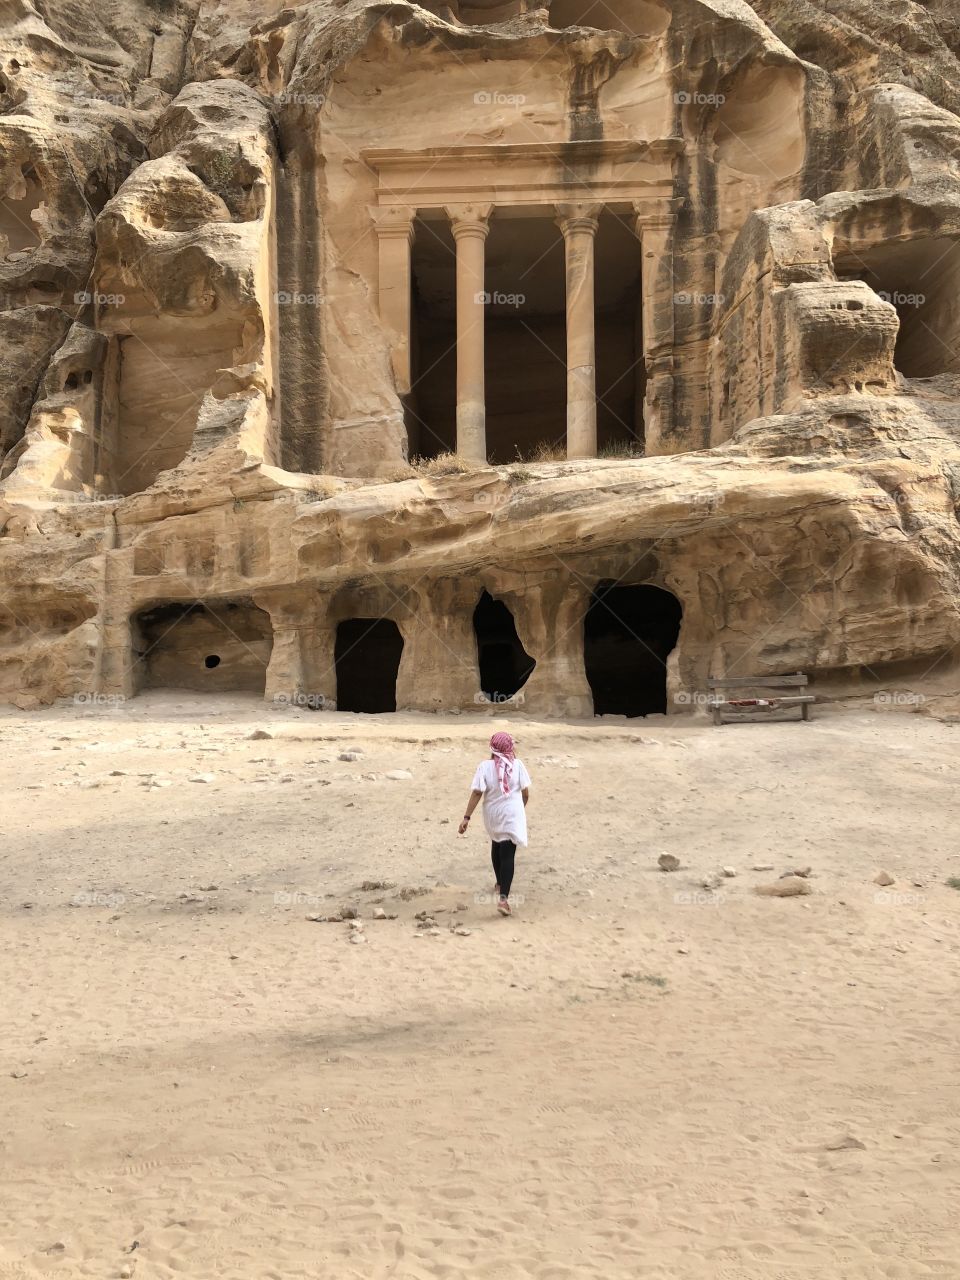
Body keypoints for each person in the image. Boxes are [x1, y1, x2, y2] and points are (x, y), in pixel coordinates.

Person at [458, 731, 531, 916]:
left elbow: (477, 793)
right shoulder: (518, 765)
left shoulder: (484, 766)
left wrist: (466, 817)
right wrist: (519, 809)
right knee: (508, 854)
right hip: (512, 813)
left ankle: (499, 884)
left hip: (492, 814)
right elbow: (525, 793)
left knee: (496, 844)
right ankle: (503, 900)